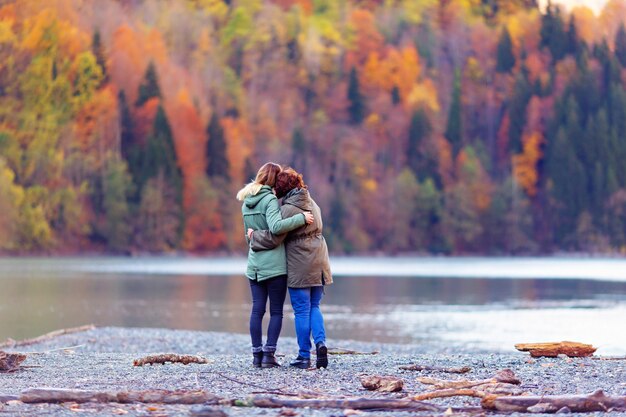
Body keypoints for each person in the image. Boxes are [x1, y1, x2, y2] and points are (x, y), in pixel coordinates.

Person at [248, 168, 332, 369]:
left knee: (302, 310)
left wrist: (253, 236)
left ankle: (304, 356)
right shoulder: (313, 203)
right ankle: (321, 343)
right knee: (315, 306)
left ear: (282, 188)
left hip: (301, 263)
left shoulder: (288, 209)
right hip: (320, 260)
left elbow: (273, 236)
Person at [237, 162, 314, 368]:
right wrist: (300, 218)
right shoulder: (270, 199)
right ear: (273, 180)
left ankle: (256, 355)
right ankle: (269, 356)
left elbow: (248, 239)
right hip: (274, 266)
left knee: (257, 310)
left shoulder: (246, 202)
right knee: (277, 311)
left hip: (254, 265)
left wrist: (255, 237)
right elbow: (277, 227)